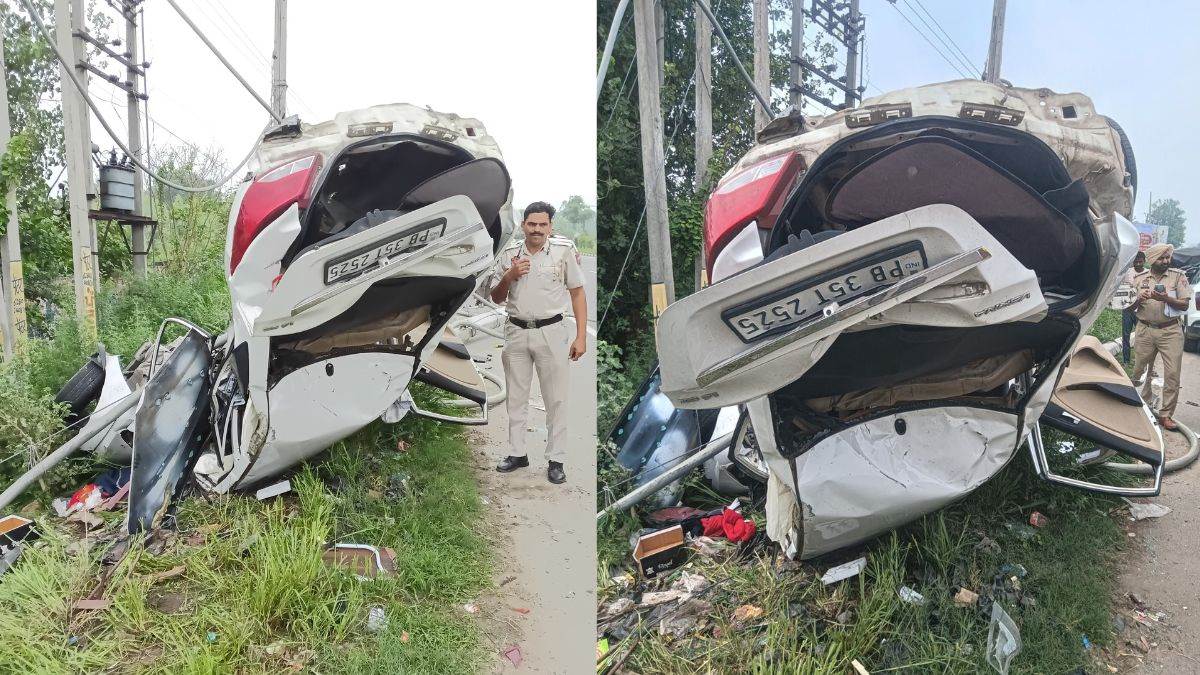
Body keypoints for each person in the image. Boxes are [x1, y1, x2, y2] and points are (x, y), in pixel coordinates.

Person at [490, 202, 587, 483]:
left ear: (550, 227)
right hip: (517, 331)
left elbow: (578, 294)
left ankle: (556, 460)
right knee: (516, 398)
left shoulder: (562, 253)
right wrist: (510, 275)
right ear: (523, 225)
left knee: (556, 399)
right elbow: (496, 296)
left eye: (543, 224)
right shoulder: (510, 255)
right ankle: (517, 453)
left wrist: (581, 336)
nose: (537, 229)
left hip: (551, 332)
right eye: (532, 224)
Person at [1131, 243, 1193, 430]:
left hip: (1170, 331)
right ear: (1152, 260)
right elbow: (1126, 308)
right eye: (1161, 258)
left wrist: (1165, 298)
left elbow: (1184, 305)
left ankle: (1166, 415)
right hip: (1145, 330)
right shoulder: (1139, 278)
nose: (1166, 261)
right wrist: (1137, 299)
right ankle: (1137, 405)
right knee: (1138, 371)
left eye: (1168, 257)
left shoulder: (1178, 276)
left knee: (1172, 374)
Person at [1120, 251, 1146, 364]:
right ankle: (1126, 361)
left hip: (1142, 310)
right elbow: (1121, 289)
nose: (1138, 264)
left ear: (1144, 261)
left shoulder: (1148, 273)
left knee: (1141, 336)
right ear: (1133, 262)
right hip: (1127, 309)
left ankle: (1140, 360)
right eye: (1136, 262)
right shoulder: (1128, 273)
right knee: (1125, 335)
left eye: (1140, 262)